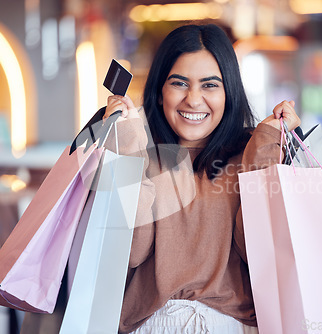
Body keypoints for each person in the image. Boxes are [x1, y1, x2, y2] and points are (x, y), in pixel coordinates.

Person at [102, 24, 301, 334]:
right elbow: (130, 251)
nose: (193, 100)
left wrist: (266, 148)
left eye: (210, 85)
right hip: (153, 325)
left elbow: (261, 253)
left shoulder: (251, 150)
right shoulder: (139, 149)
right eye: (179, 83)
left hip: (234, 325)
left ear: (229, 93)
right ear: (159, 92)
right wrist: (126, 148)